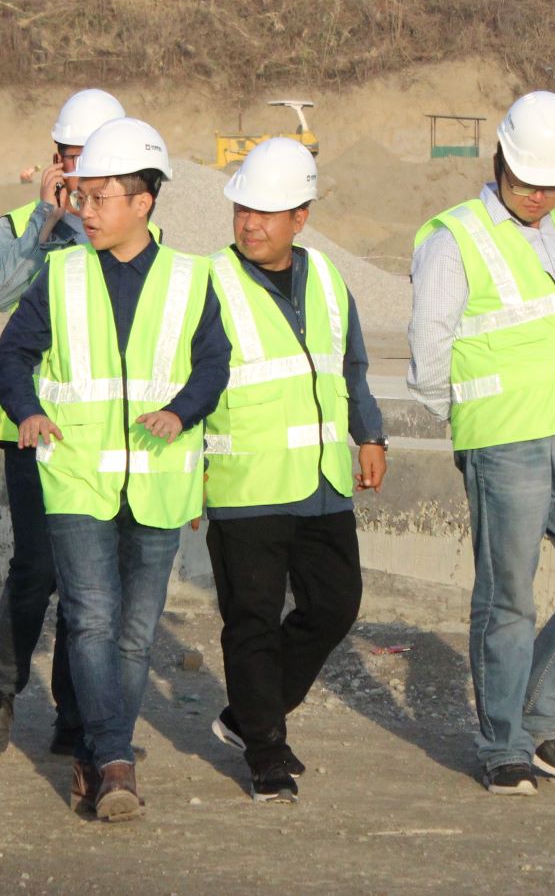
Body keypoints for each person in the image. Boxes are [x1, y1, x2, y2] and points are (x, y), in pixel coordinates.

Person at [0, 116, 229, 821]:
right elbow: (11, 355)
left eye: (99, 198)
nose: (85, 211)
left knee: (135, 632)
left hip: (158, 479)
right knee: (92, 620)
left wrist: (182, 410)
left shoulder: (191, 278)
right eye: (81, 197)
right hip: (78, 476)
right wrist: (27, 410)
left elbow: (214, 364)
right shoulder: (60, 274)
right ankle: (115, 759)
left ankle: (96, 758)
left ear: (142, 202)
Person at [407, 91, 555, 796]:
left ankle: (535, 718)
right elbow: (428, 361)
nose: (539, 196)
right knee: (508, 599)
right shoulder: (454, 238)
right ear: (499, 160)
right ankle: (502, 744)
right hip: (507, 443)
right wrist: (481, 426)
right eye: (526, 181)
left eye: (554, 184)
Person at [198, 138, 389, 803]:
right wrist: (183, 474)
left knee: (335, 605)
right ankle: (266, 751)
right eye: (242, 209)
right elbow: (184, 386)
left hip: (322, 480)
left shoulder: (329, 279)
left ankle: (247, 715)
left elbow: (351, 367)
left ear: (300, 217)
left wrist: (370, 434)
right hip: (246, 484)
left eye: (266, 212)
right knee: (250, 620)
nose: (249, 223)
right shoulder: (207, 283)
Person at [0, 88, 125, 758]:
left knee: (88, 574)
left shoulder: (126, 230)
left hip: (100, 430)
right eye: (67, 156)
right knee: (37, 566)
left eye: (88, 159)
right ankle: (2, 689)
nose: (75, 170)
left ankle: (74, 709)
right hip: (30, 424)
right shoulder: (20, 223)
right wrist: (44, 220)